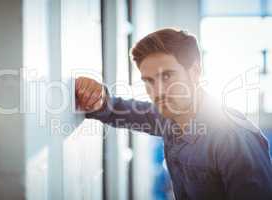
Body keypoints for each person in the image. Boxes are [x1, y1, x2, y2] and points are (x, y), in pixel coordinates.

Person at [75, 28, 272, 200]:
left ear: (194, 72)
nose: (158, 91)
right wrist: (96, 96)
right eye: (149, 81)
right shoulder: (169, 116)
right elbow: (119, 110)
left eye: (167, 76)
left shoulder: (233, 138)